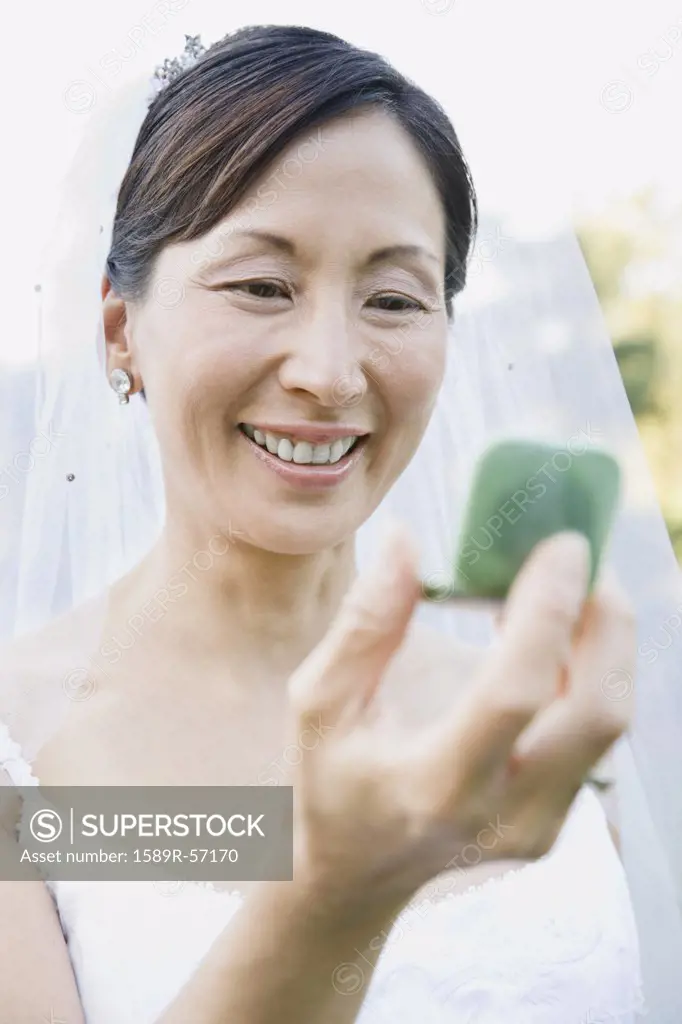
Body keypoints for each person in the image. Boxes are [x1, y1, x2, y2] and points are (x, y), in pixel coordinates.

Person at [0, 23, 679, 1024]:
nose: (328, 370)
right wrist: (330, 898)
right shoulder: (28, 754)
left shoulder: (533, 714)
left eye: (394, 299)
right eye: (261, 286)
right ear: (120, 329)